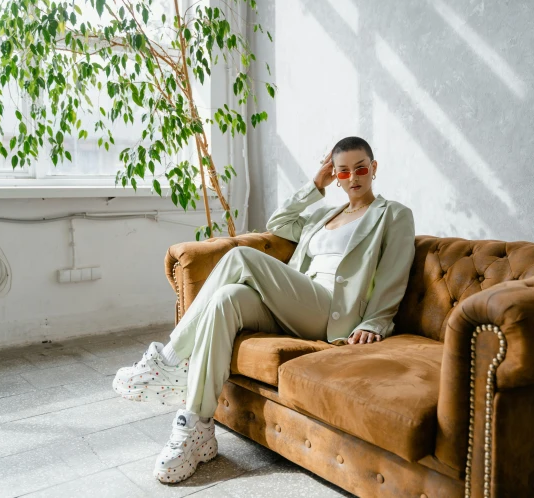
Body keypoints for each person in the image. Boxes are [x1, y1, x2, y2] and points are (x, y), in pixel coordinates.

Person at [111, 136, 416, 484]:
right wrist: (316, 183)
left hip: (332, 312)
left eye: (360, 168)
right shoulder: (324, 214)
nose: (353, 177)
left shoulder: (392, 214)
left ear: (373, 168)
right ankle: (197, 427)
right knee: (228, 297)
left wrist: (377, 321)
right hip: (299, 301)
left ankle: (169, 359)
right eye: (342, 172)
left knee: (240, 256)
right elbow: (279, 221)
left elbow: (394, 272)